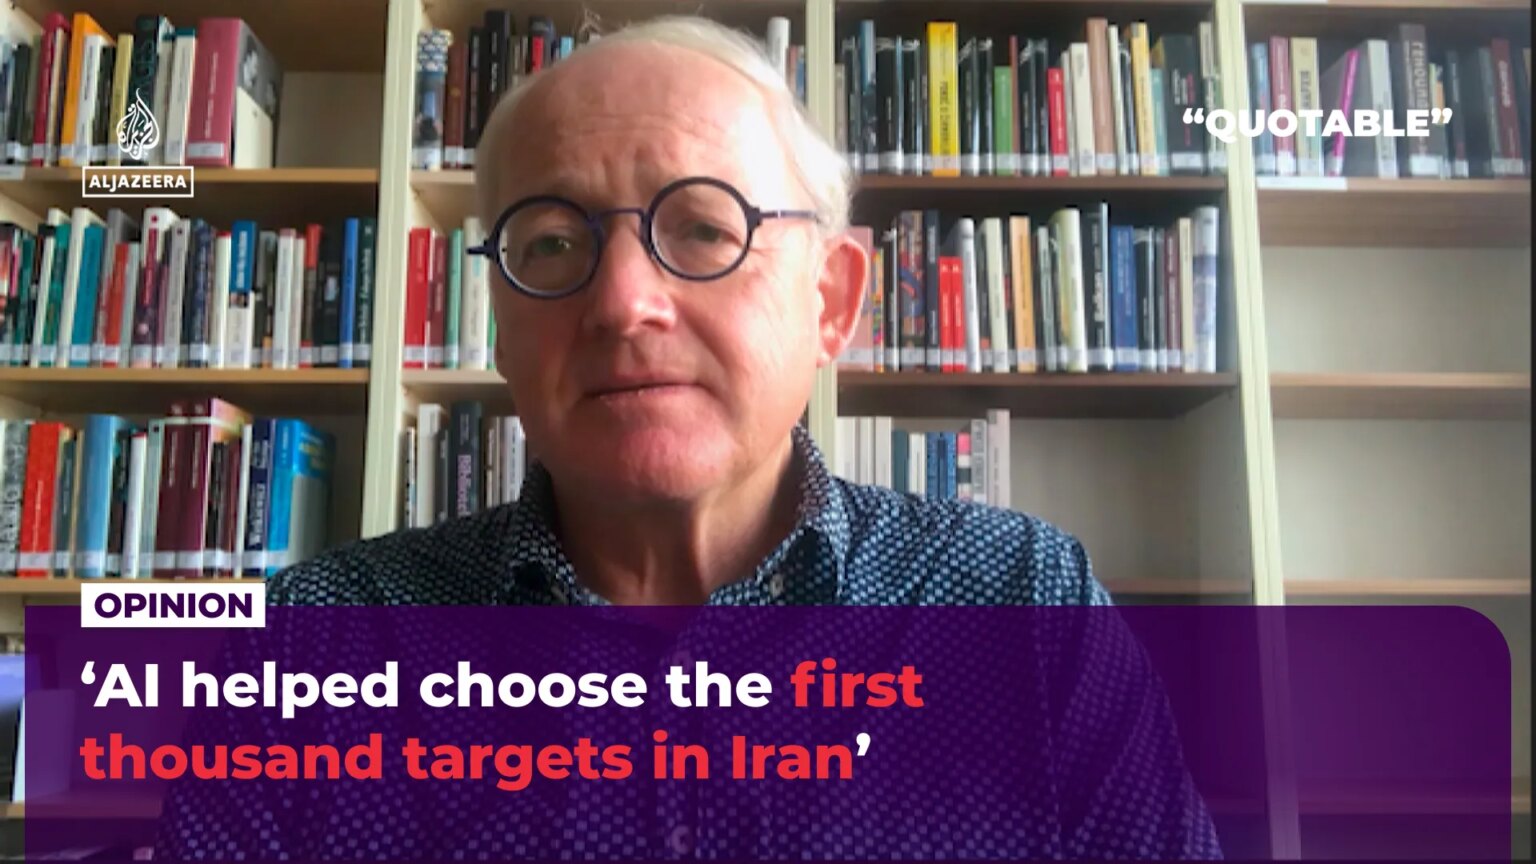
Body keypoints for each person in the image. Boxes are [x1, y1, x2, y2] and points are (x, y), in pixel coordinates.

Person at [268, 17, 1108, 610]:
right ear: (499, 318)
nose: (623, 303)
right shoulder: (315, 637)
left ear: (830, 300)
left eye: (705, 230)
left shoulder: (1026, 602)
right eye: (552, 243)